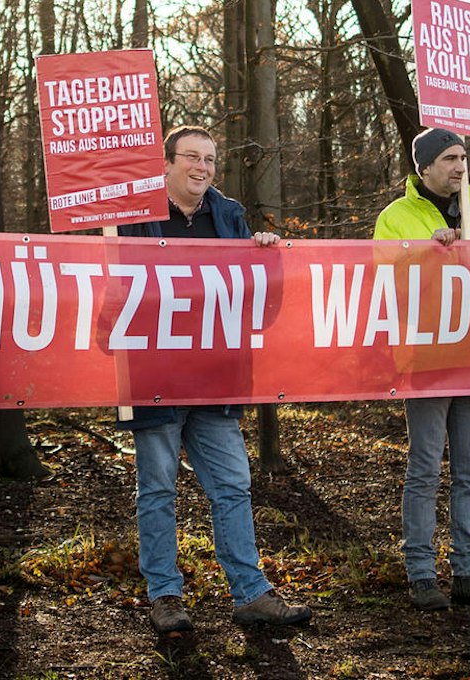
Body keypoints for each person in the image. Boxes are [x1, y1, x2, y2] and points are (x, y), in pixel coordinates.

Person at [114, 125, 312, 635]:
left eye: (209, 158)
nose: (202, 167)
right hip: (153, 377)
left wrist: (266, 259)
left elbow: (258, 309)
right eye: (191, 157)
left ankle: (249, 593)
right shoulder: (132, 219)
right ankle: (165, 596)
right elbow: (112, 298)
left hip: (215, 380)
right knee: (157, 489)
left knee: (233, 486)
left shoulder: (229, 216)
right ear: (166, 164)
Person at [372, 128, 470, 612]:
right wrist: (428, 256)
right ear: (425, 167)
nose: (459, 166)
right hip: (425, 361)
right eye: (450, 158)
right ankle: (420, 574)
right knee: (425, 468)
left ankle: (469, 571)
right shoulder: (395, 218)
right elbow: (382, 285)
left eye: (463, 157)